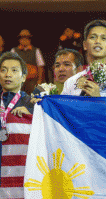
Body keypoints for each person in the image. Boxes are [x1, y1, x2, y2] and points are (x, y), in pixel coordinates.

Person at [61, 19, 106, 97]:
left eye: (104, 38)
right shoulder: (71, 82)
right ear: (85, 45)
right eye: (93, 37)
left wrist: (98, 100)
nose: (98, 41)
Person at [0, 52, 34, 198]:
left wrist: (32, 114)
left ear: (24, 77)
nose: (8, 74)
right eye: (3, 70)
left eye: (14, 70)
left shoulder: (33, 104)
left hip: (21, 172)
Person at [11, 29, 45, 94]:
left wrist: (39, 81)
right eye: (22, 38)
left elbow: (40, 67)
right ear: (19, 40)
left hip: (32, 82)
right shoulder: (14, 51)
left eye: (27, 38)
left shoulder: (35, 50)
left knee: (32, 99)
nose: (24, 40)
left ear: (30, 39)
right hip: (18, 81)